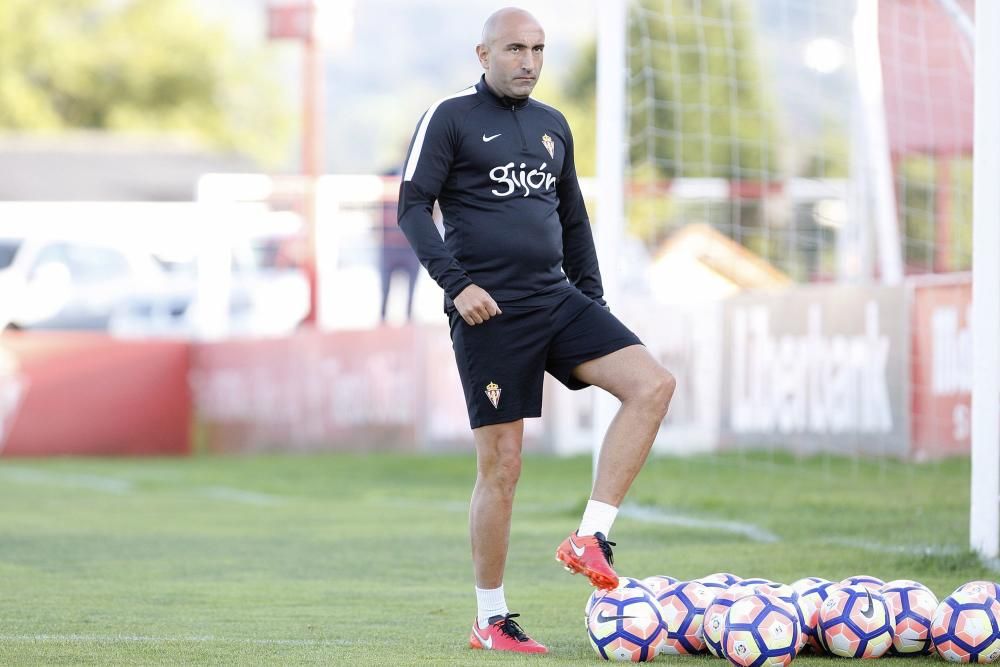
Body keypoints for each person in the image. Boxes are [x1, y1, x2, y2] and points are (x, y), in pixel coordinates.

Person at [397, 6, 676, 655]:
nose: (528, 61)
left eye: (539, 49)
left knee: (652, 385)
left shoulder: (554, 126)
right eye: (516, 49)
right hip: (488, 310)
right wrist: (457, 285)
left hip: (557, 297)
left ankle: (591, 535)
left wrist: (595, 305)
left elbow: (574, 221)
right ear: (483, 53)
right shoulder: (449, 117)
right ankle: (490, 618)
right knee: (504, 466)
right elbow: (411, 206)